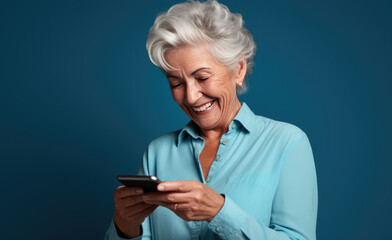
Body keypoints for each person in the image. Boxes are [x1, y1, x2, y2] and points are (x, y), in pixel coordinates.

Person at [105, 0, 318, 239]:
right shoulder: (157, 152)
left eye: (203, 77)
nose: (191, 96)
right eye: (176, 83)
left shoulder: (288, 143)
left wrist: (220, 211)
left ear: (238, 69)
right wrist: (125, 226)